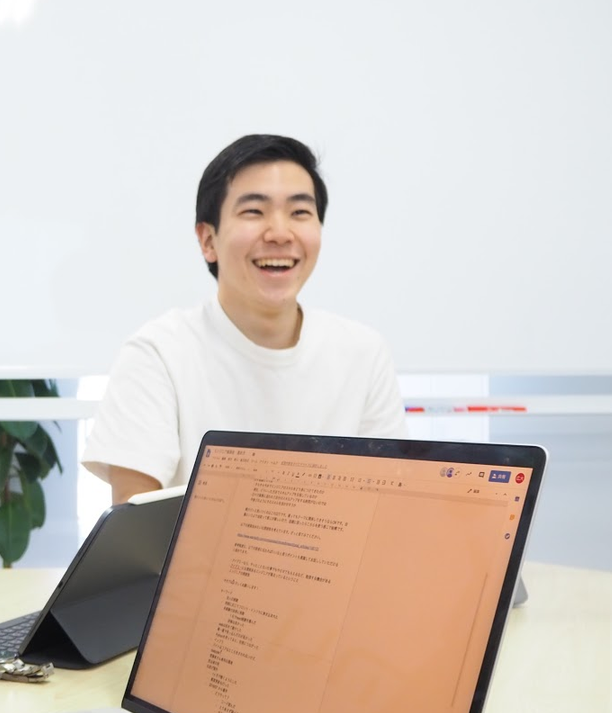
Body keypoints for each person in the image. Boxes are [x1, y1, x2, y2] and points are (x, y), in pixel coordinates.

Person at [83, 133, 407, 502]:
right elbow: (134, 526)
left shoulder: (363, 353)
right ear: (208, 240)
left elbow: (389, 506)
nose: (280, 233)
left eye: (300, 212)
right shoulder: (158, 354)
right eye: (254, 211)